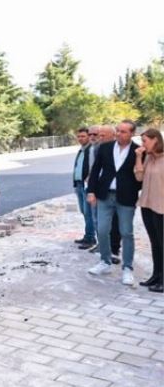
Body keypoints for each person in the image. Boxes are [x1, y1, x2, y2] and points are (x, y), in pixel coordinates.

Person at [87, 120, 142, 284]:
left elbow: (141, 176)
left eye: (123, 131)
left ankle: (127, 268)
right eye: (118, 130)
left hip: (126, 198)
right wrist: (91, 191)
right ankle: (105, 261)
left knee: (126, 232)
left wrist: (136, 191)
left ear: (132, 133)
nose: (119, 134)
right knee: (102, 230)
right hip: (104, 195)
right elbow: (95, 170)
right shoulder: (105, 147)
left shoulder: (138, 151)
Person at [134, 128, 163, 293]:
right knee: (155, 243)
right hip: (147, 205)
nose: (142, 144)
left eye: (145, 141)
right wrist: (139, 156)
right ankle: (156, 275)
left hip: (161, 208)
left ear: (156, 140)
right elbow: (139, 177)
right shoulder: (149, 158)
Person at [72, 127, 96, 248]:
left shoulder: (91, 150)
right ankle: (88, 235)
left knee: (89, 213)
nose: (80, 138)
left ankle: (90, 238)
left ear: (89, 137)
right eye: (79, 136)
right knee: (84, 212)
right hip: (79, 184)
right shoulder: (81, 150)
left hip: (88, 186)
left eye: (83, 136)